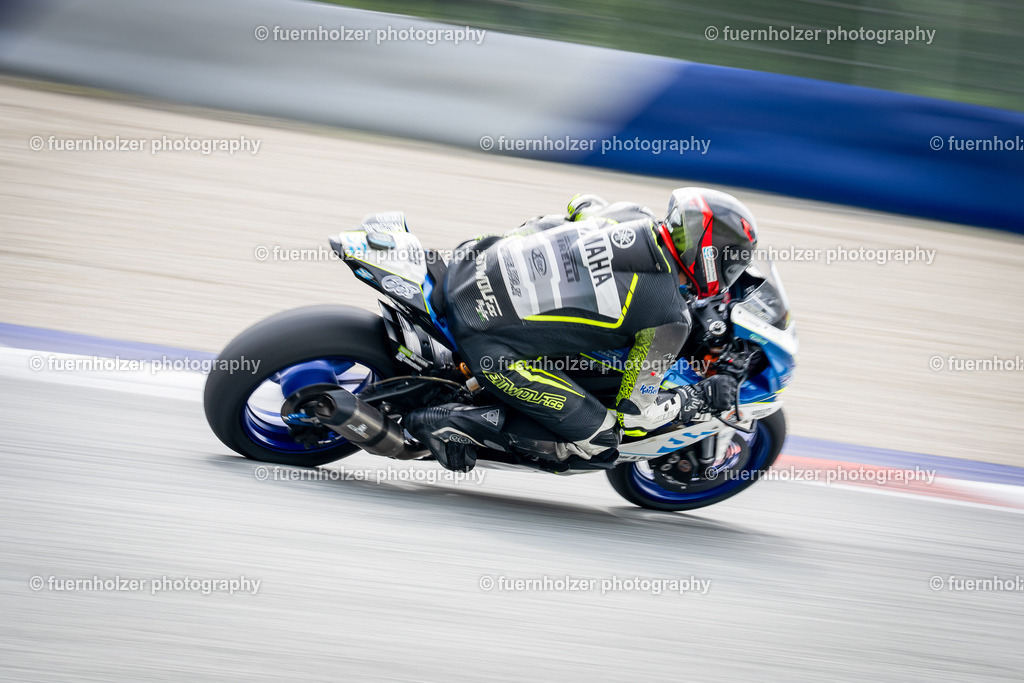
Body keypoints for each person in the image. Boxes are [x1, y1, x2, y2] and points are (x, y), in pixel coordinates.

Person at [405, 187, 759, 472]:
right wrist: (696, 398)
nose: (733, 272)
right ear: (711, 255)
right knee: (604, 441)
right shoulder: (669, 318)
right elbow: (637, 414)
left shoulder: (630, 214)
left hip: (471, 261)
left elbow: (581, 203)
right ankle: (446, 423)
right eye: (733, 261)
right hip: (486, 342)